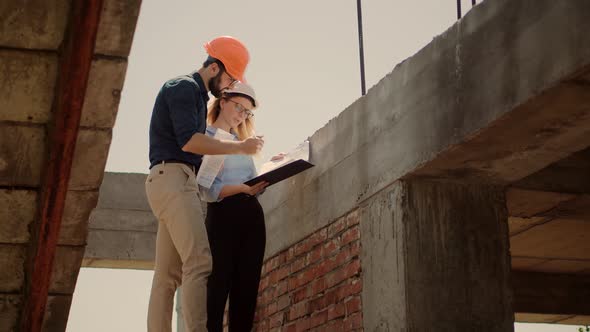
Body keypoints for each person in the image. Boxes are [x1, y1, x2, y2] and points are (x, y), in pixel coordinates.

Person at [145, 36, 264, 332]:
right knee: (199, 262)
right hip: (174, 178)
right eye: (229, 80)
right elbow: (189, 142)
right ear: (214, 68)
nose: (228, 86)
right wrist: (239, 149)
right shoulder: (184, 87)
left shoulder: (196, 96)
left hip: (167, 179)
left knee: (167, 274)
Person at [199, 82, 268, 331]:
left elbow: (249, 179)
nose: (242, 114)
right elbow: (207, 189)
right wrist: (241, 188)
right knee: (217, 289)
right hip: (222, 218)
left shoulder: (244, 143)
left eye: (247, 112)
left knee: (246, 291)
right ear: (223, 101)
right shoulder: (205, 138)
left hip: (251, 217)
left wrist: (271, 170)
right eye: (239, 106)